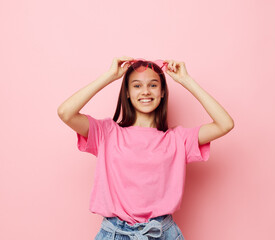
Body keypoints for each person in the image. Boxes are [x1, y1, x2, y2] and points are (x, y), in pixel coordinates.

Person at [57, 56, 234, 240]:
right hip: (115, 234)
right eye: (137, 85)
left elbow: (225, 124)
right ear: (127, 92)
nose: (145, 91)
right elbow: (65, 112)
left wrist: (186, 80)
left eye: (153, 85)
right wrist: (109, 76)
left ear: (163, 91)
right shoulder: (107, 133)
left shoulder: (178, 139)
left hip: (162, 233)